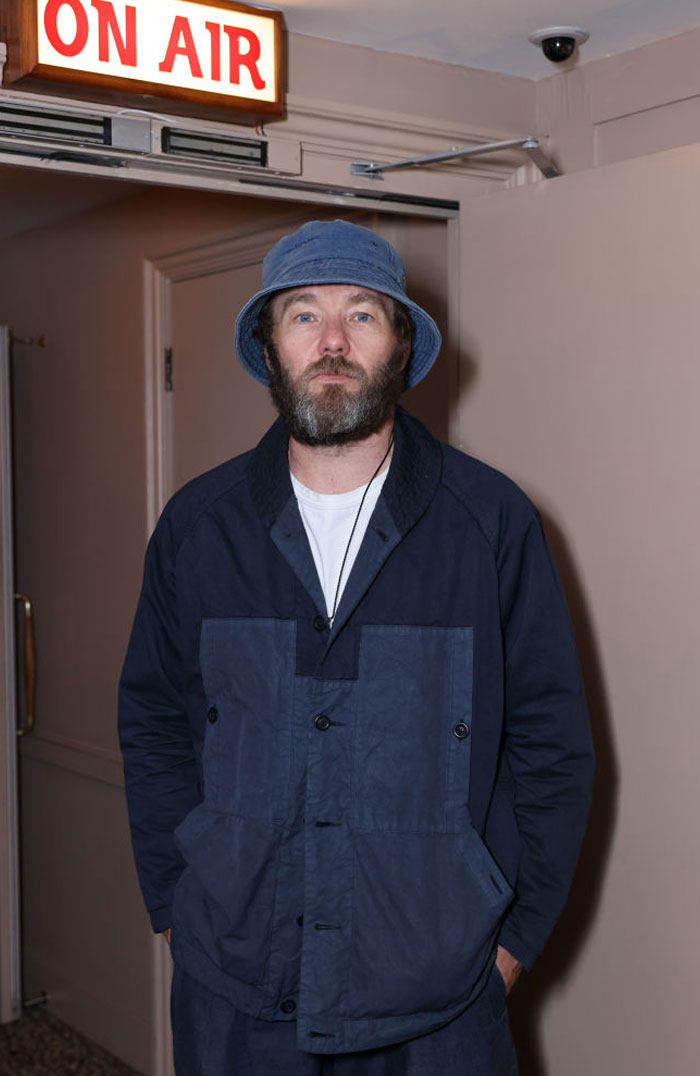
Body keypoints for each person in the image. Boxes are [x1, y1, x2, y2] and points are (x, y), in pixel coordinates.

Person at [119, 219, 594, 1075]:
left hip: (439, 1010)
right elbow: (152, 720)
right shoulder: (198, 528)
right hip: (237, 1000)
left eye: (363, 315)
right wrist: (172, 901)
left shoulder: (491, 526)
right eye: (302, 315)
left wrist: (514, 942)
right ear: (268, 347)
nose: (332, 340)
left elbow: (552, 749)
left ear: (402, 346)